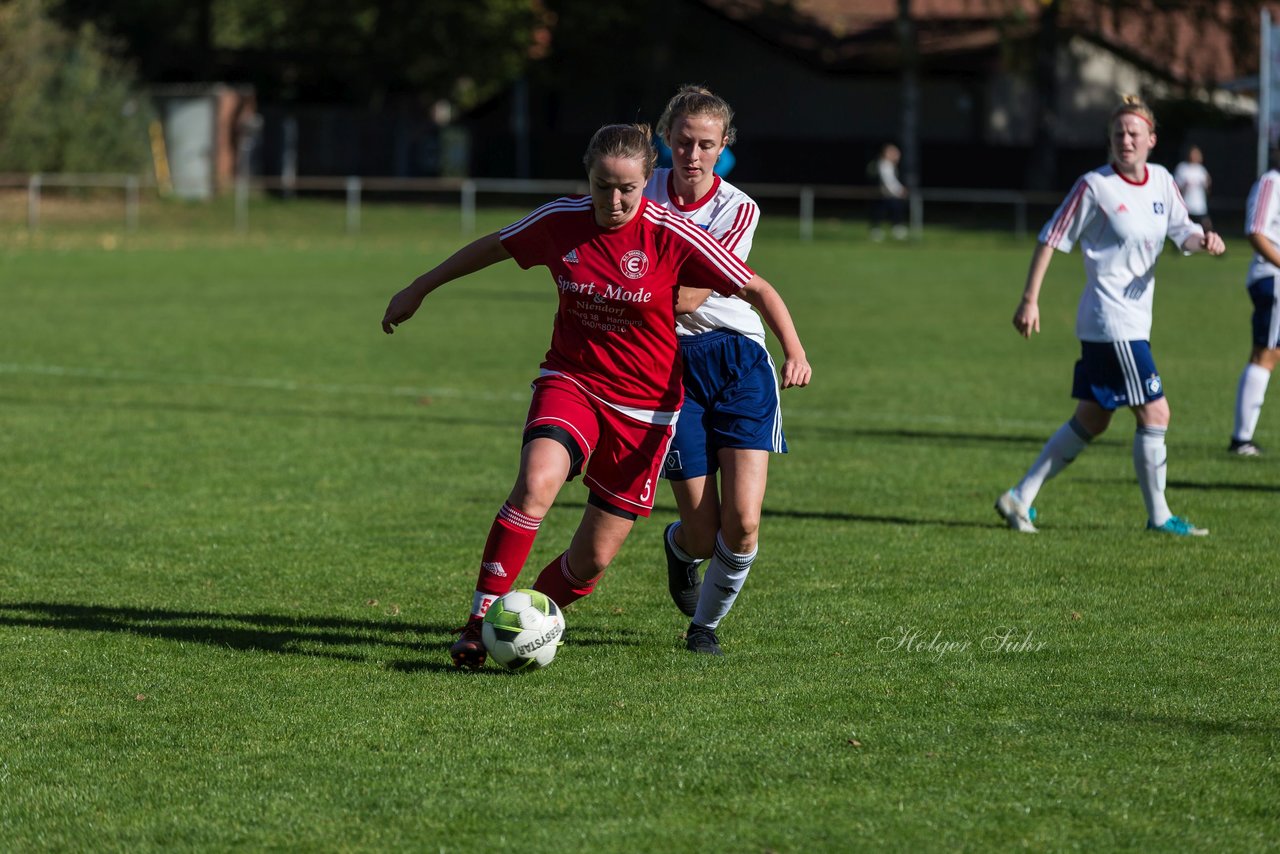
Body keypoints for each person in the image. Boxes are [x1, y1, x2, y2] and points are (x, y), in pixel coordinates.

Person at [381, 123, 812, 669]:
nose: (613, 200)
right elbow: (493, 245)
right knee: (536, 483)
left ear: (643, 183)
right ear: (589, 178)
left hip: (646, 411)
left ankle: (514, 624)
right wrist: (419, 288)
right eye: (602, 186)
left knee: (590, 561)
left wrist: (793, 349)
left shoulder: (673, 234)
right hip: (573, 382)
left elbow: (755, 287)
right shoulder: (561, 219)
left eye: (627, 189)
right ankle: (477, 622)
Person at [994, 95, 1225, 537]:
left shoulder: (1161, 181)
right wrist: (1030, 299)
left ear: (1151, 140)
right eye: (1118, 133)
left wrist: (1206, 242)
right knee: (1156, 414)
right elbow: (1051, 238)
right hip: (1110, 319)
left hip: (1134, 321)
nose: (1125, 140)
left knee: (1093, 418)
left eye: (1134, 133)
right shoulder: (1094, 186)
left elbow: (1183, 233)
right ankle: (1159, 517)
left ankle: (1020, 497)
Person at [643, 85, 782, 656]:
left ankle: (703, 628)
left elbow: (692, 292)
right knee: (702, 533)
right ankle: (679, 549)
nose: (692, 155)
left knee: (742, 522)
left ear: (724, 145)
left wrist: (627, 289)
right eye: (682, 142)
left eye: (705, 144)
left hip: (738, 359)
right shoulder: (638, 191)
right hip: (669, 369)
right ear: (665, 141)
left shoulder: (737, 207)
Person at [1227, 152, 1280, 456]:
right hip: (1273, 278)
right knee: (1266, 353)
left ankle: (1242, 438)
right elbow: (1256, 231)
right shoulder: (1272, 182)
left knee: (1270, 352)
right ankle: (1241, 439)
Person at [869, 143, 908, 241]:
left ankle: (896, 228)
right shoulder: (882, 165)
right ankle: (877, 230)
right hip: (881, 194)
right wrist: (899, 191)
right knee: (881, 210)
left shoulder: (892, 166)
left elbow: (893, 182)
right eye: (893, 152)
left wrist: (900, 190)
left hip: (888, 195)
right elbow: (888, 182)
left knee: (895, 208)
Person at [1174, 145, 1213, 231]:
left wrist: (1208, 184)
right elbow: (1176, 189)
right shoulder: (1182, 168)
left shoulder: (1201, 170)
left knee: (1206, 228)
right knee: (1184, 230)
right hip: (1186, 206)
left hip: (1200, 207)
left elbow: (1208, 188)